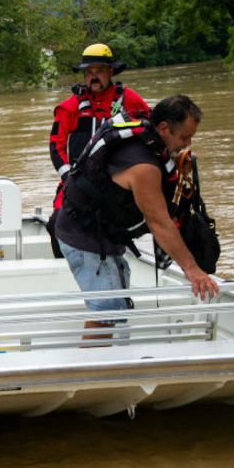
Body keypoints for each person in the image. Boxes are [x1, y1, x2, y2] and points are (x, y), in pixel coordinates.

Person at [54, 94, 220, 336]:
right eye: (184, 137)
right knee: (106, 316)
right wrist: (192, 269)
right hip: (85, 239)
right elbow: (159, 222)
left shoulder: (147, 133)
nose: (188, 144)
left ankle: (104, 358)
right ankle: (92, 368)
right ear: (163, 128)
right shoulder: (144, 167)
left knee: (114, 310)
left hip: (98, 230)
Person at [47, 44, 150, 255]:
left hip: (117, 181)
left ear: (110, 72)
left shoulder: (130, 100)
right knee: (56, 223)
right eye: (89, 72)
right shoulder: (69, 107)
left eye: (99, 71)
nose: (93, 77)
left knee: (116, 225)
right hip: (76, 180)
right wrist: (68, 178)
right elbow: (56, 146)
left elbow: (152, 133)